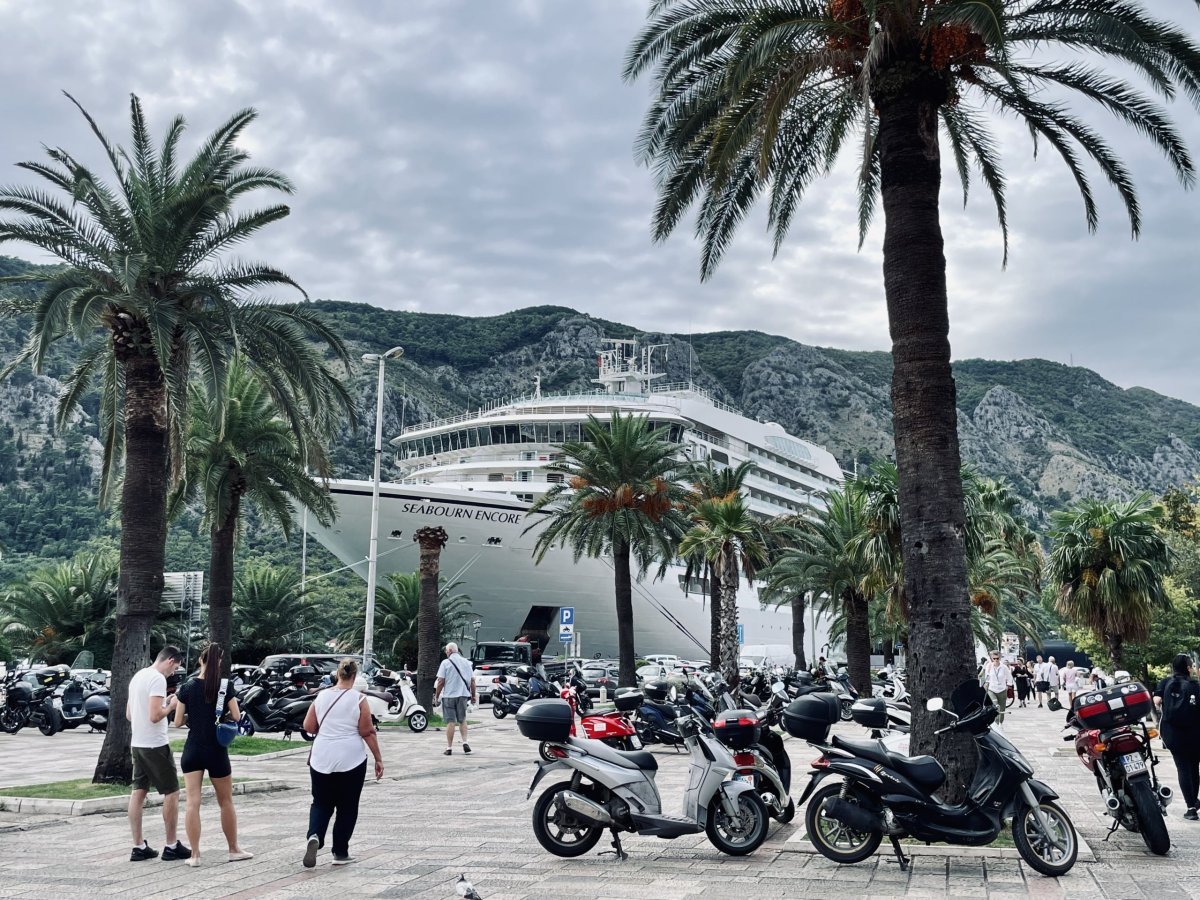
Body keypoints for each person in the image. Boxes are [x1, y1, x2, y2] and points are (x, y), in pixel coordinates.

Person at [173, 643, 252, 867]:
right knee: (226, 801)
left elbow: (177, 722)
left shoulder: (187, 687)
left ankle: (195, 855)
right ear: (218, 662)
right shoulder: (224, 687)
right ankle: (233, 849)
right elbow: (236, 716)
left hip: (193, 750)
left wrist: (193, 717)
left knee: (192, 803)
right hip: (216, 751)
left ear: (201, 660)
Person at [302, 658, 384, 867]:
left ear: (338, 674)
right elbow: (367, 731)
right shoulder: (359, 699)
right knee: (347, 806)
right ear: (354, 677)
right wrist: (378, 758)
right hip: (351, 758)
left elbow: (309, 726)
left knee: (320, 802)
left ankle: (314, 835)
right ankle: (340, 852)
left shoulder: (321, 696)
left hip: (322, 757)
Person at [127, 645, 191, 862]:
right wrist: (171, 705)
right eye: (175, 668)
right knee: (172, 791)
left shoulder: (138, 676)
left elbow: (129, 714)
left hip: (138, 742)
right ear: (170, 661)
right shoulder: (157, 679)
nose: (173, 673)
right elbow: (155, 716)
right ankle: (171, 845)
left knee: (138, 791)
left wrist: (162, 704)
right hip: (155, 744)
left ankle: (138, 846)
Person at [1155, 654, 1200, 821]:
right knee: (1194, 767)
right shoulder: (1195, 686)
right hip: (1195, 733)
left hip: (1173, 733)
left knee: (1182, 768)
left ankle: (1191, 808)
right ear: (1188, 668)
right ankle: (1193, 802)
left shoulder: (1165, 682)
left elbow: (1156, 701)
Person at [434, 642, 477, 756]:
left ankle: (449, 748)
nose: (446, 653)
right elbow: (472, 681)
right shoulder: (466, 662)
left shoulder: (445, 663)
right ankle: (465, 742)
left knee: (450, 722)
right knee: (462, 720)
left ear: (449, 651)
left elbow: (440, 681)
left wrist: (437, 696)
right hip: (462, 695)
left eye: (446, 651)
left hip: (449, 696)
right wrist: (473, 696)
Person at [980, 652, 1013, 726]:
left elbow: (1009, 677)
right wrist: (986, 683)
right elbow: (987, 677)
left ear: (1000, 658)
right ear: (991, 658)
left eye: (997, 658)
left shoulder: (1004, 667)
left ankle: (1000, 723)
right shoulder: (989, 666)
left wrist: (1008, 685)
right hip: (992, 689)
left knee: (1002, 708)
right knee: (995, 706)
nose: (995, 660)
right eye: (994, 658)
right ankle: (996, 722)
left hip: (1002, 689)